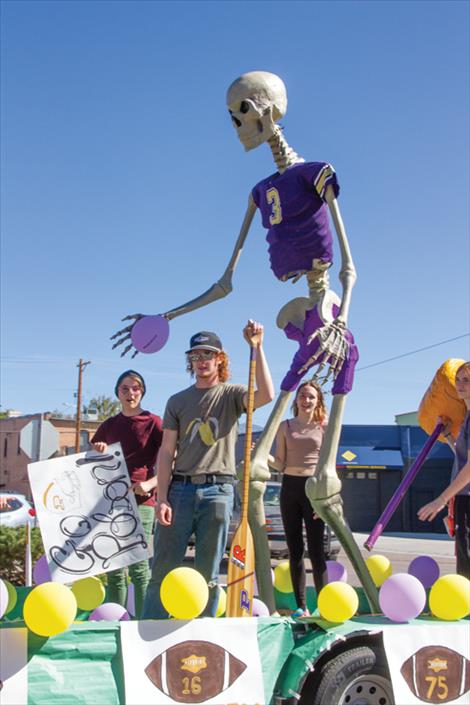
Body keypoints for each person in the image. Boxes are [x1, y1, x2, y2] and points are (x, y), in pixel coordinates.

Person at [142, 320, 274, 619]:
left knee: (209, 574)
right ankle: (150, 629)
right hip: (180, 491)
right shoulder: (177, 401)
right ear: (191, 361)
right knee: (162, 569)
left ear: (220, 359)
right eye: (196, 356)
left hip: (219, 491)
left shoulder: (231, 395)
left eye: (207, 355)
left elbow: (266, 394)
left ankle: (203, 632)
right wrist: (162, 497)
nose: (201, 361)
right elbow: (166, 451)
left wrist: (258, 347)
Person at [91, 370, 163, 617]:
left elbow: (171, 460)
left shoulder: (153, 422)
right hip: (110, 503)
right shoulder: (109, 425)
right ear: (117, 393)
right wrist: (98, 449)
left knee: (139, 569)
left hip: (142, 502)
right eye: (125, 388)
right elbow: (91, 463)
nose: (130, 393)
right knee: (113, 571)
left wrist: (150, 484)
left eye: (136, 388)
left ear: (142, 392)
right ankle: (115, 622)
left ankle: (144, 625)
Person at [269, 380, 328, 616]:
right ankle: (301, 606)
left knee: (316, 551)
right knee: (294, 550)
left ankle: (324, 606)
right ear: (296, 400)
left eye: (311, 397)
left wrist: (323, 499)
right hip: (290, 487)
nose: (306, 400)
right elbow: (280, 462)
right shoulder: (285, 426)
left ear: (318, 401)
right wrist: (261, 455)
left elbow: (328, 464)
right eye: (303, 396)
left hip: (314, 488)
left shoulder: (325, 426)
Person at [418, 361, 470, 579]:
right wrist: (449, 436)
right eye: (458, 379)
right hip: (462, 496)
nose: (459, 384)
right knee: (463, 554)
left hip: (467, 496)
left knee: (466, 557)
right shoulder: (466, 416)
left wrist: (440, 500)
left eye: (466, 380)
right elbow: (463, 456)